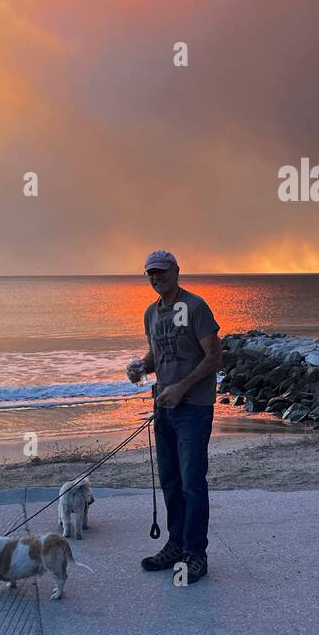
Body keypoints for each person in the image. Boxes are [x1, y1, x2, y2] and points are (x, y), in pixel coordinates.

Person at [127, 250, 221, 584]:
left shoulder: (195, 307)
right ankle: (176, 543)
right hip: (163, 406)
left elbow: (213, 357)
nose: (156, 277)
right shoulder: (151, 313)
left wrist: (182, 388)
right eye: (151, 273)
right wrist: (140, 366)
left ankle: (196, 554)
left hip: (193, 407)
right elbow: (157, 355)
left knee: (193, 483)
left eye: (162, 272)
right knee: (170, 480)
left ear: (177, 271)